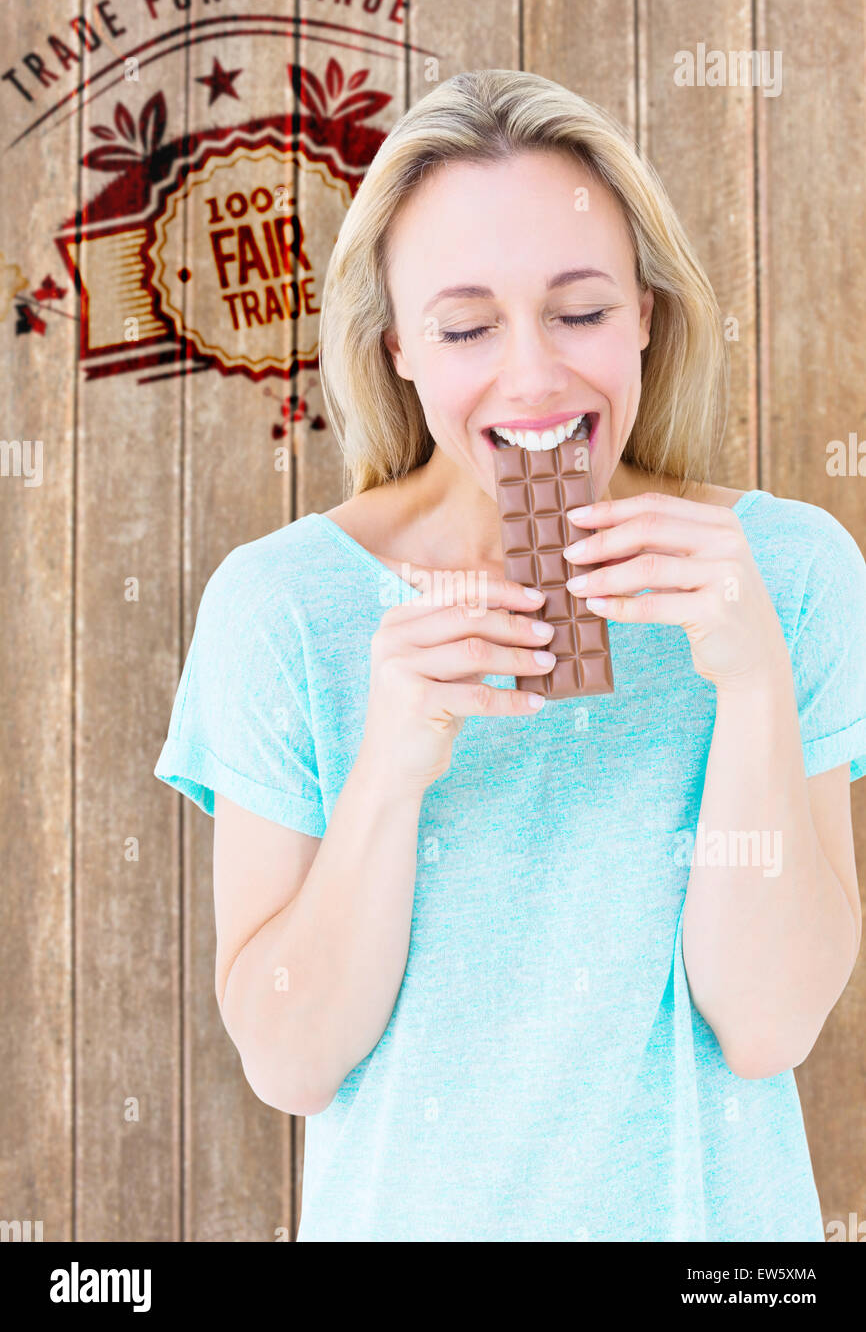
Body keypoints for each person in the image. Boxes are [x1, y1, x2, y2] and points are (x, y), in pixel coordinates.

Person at [154, 69, 866, 1242]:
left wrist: (752, 685)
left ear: (646, 313)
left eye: (579, 311)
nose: (532, 376)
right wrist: (387, 773)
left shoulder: (788, 574)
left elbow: (767, 1026)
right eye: (466, 327)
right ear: (397, 347)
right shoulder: (281, 608)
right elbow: (288, 1060)